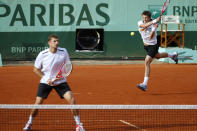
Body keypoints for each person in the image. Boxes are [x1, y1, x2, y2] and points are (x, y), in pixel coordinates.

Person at [23, 34, 85, 131]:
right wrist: (45, 77)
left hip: (60, 82)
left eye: (57, 41)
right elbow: (35, 69)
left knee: (72, 100)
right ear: (49, 43)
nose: (57, 43)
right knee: (38, 103)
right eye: (54, 41)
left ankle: (79, 125)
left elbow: (68, 66)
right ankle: (29, 123)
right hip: (45, 82)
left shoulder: (63, 51)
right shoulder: (42, 54)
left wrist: (58, 77)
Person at [137, 11, 178, 91]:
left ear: (149, 17)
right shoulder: (140, 22)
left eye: (146, 18)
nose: (144, 19)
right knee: (158, 56)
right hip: (146, 46)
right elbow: (143, 26)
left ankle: (144, 84)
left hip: (153, 45)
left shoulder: (153, 25)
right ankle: (172, 55)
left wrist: (154, 28)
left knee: (147, 61)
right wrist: (155, 21)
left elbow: (151, 37)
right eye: (143, 17)